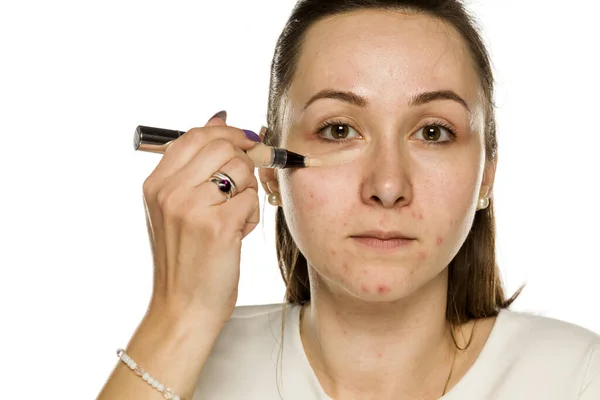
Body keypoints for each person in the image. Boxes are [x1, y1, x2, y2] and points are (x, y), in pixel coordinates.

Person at [97, 1, 600, 399]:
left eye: (432, 132)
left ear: (486, 175)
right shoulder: (184, 360)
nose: (387, 186)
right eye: (339, 129)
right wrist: (179, 315)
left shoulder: (577, 378)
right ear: (269, 170)